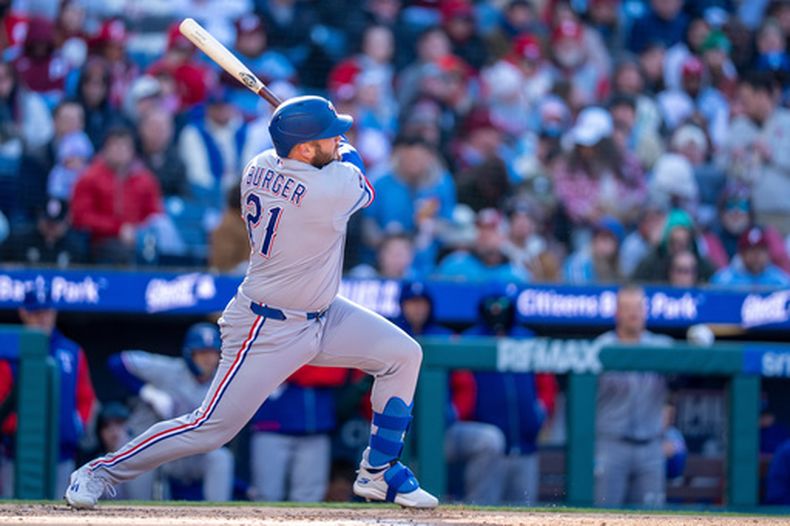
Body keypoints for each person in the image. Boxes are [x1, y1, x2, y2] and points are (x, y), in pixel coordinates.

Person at [65, 95, 438, 509]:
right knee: (209, 427)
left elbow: (324, 161)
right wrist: (340, 149)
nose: (339, 139)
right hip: (267, 327)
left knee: (403, 354)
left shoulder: (258, 166)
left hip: (324, 313)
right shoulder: (328, 189)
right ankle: (99, 471)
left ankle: (379, 472)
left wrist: (321, 143)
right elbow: (356, 169)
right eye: (330, 135)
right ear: (305, 148)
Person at [394, 282, 506, 504]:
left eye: (422, 303)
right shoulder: (389, 332)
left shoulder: (446, 337)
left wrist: (453, 413)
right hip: (397, 437)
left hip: (443, 432)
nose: (417, 309)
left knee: (490, 440)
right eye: (412, 303)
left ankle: (478, 508)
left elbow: (465, 387)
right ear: (402, 305)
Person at [106, 323, 233, 501]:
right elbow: (117, 362)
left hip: (189, 454)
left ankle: (220, 516)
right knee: (138, 501)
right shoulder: (168, 370)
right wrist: (148, 393)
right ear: (190, 354)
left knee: (220, 458)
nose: (208, 360)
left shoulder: (222, 381)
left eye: (212, 353)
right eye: (202, 353)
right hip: (149, 447)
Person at [1, 283, 96, 498]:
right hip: (17, 455)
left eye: (47, 312)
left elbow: (85, 397)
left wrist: (75, 425)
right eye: (37, 312)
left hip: (62, 455)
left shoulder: (71, 351)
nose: (43, 318)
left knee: (63, 512)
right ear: (23, 313)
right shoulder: (7, 352)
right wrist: (19, 428)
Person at [463, 292, 556, 505]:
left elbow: (547, 385)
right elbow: (461, 388)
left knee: (525, 514)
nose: (497, 313)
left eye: (502, 308)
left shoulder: (527, 339)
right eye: (492, 308)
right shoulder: (470, 340)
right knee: (482, 513)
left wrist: (540, 414)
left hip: (526, 448)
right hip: (487, 453)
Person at [595, 285, 674, 507]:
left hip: (651, 446)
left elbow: (679, 388)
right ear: (616, 313)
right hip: (610, 444)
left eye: (638, 307)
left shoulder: (663, 347)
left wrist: (669, 434)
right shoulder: (601, 347)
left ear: (646, 311)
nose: (633, 313)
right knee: (602, 516)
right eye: (627, 308)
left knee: (652, 519)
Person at [71, 126, 163, 264]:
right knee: (123, 253)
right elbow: (81, 217)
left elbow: (154, 213)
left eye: (125, 147)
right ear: (105, 149)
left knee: (160, 249)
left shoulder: (145, 179)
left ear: (132, 151)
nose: (120, 151)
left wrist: (138, 232)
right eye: (115, 146)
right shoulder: (89, 178)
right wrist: (118, 228)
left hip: (138, 237)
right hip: (101, 240)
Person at [711, 226, 790, 288]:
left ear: (768, 253)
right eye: (751, 251)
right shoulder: (723, 281)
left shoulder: (781, 281)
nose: (756, 256)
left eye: (760, 251)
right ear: (741, 254)